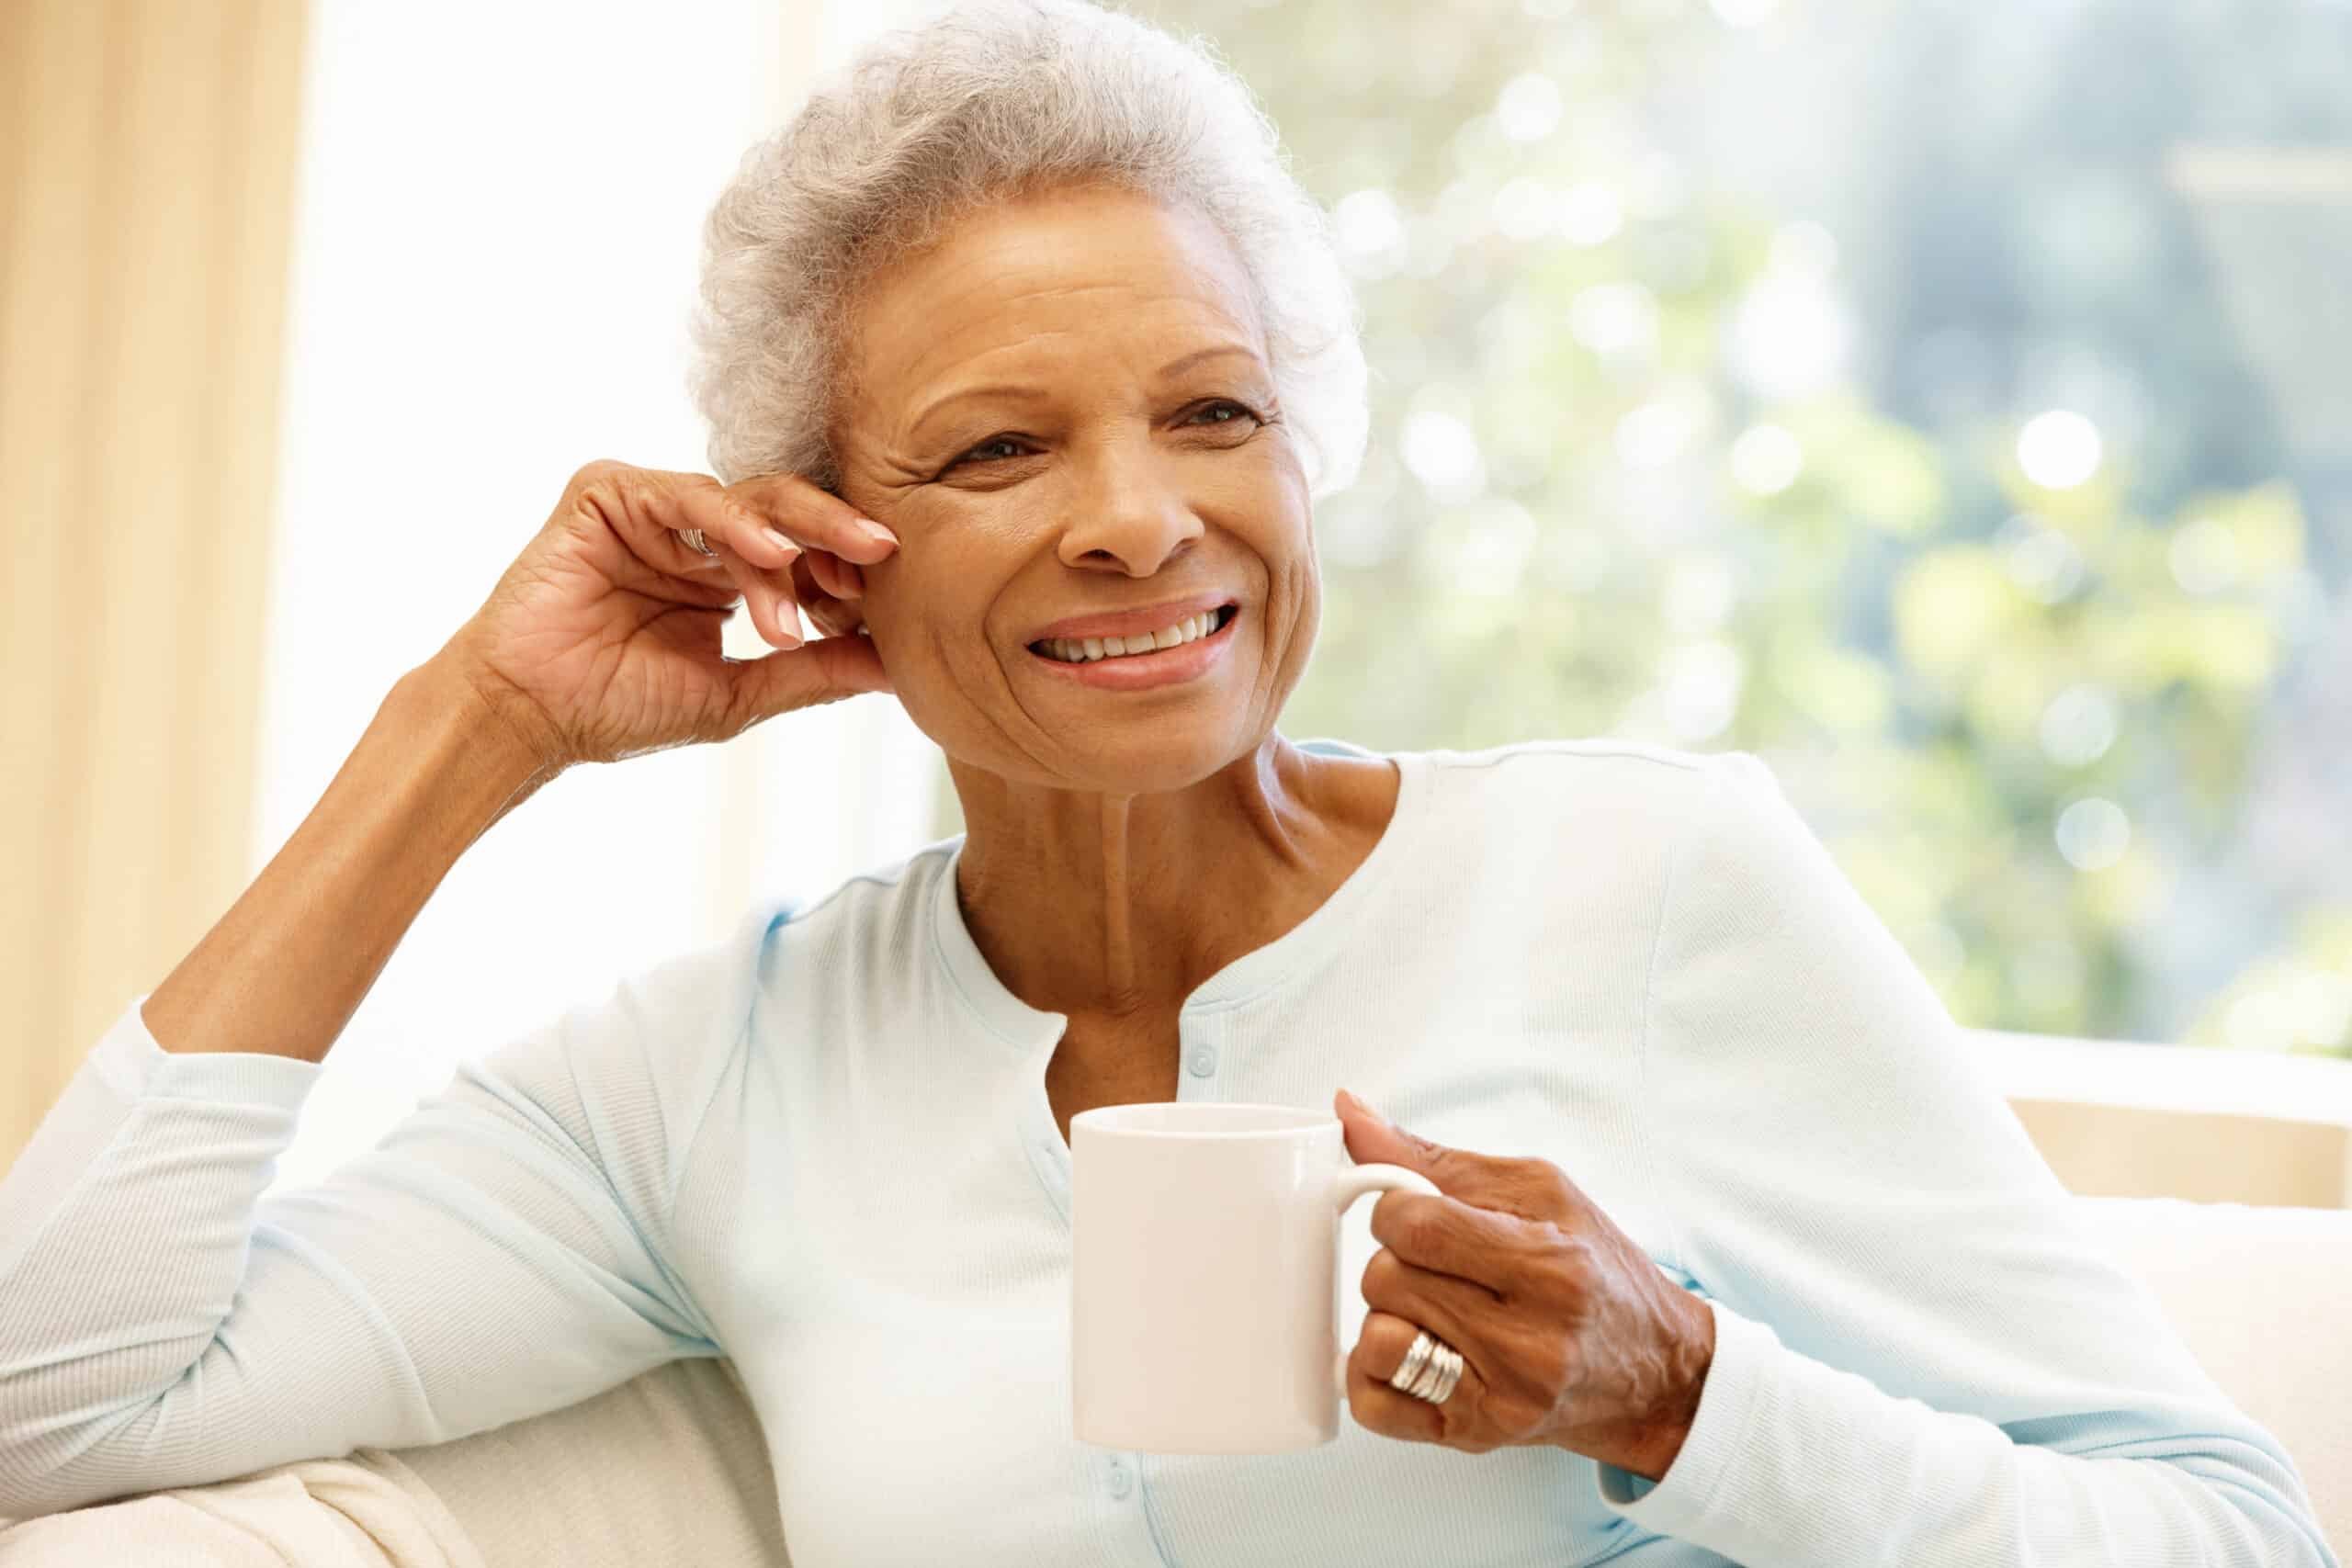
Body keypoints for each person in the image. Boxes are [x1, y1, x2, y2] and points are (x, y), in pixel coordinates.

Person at [0, 1, 2335, 1562]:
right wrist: (464, 729)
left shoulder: (1641, 876)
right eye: (999, 446)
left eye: (1210, 411)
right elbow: (52, 1399)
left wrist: (1682, 1388)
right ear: (825, 544)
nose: (1140, 513)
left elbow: (2221, 1527)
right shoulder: (707, 1074)